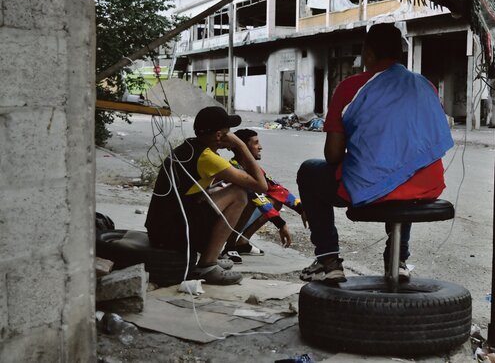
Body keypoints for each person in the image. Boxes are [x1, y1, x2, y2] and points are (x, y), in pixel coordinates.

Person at [297, 23, 453, 283]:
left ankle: (329, 260)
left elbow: (333, 155)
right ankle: (399, 258)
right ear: (401, 53)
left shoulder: (350, 88)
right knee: (405, 169)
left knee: (309, 172)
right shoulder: (425, 85)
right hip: (427, 185)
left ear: (367, 53)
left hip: (375, 187)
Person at [145, 106, 268, 285]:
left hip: (161, 226)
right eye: (228, 132)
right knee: (239, 194)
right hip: (173, 232)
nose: (231, 135)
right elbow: (260, 185)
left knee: (221, 190)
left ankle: (210, 256)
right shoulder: (207, 157)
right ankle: (208, 264)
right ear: (219, 135)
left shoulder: (190, 146)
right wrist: (241, 146)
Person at [221, 129, 307, 262]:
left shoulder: (254, 169)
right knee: (250, 201)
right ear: (243, 148)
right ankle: (229, 246)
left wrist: (301, 208)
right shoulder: (234, 168)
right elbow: (256, 197)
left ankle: (242, 243)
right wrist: (281, 224)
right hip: (221, 220)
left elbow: (276, 189)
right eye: (256, 143)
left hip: (233, 218)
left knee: (275, 202)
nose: (260, 147)